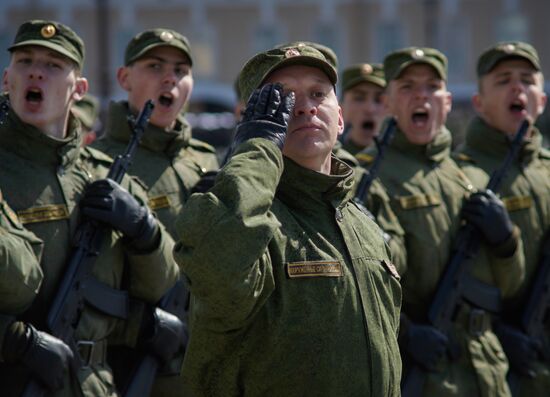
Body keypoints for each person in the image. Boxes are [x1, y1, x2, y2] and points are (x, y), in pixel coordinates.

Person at [172, 43, 402, 396]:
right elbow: (220, 275)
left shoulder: (360, 221)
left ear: (339, 117)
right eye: (283, 99)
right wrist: (258, 147)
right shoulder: (244, 215)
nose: (305, 107)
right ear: (253, 119)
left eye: (317, 94)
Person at [0, 19, 181, 396]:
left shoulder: (106, 177)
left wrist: (143, 230)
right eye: (26, 61)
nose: (36, 71)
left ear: (79, 89)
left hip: (95, 382)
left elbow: (160, 283)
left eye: (53, 65)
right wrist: (13, 339)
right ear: (7, 79)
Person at [358, 46, 525, 396]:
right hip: (422, 370)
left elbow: (509, 289)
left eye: (432, 87)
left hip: (484, 368)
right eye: (407, 87)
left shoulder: (469, 177)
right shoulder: (367, 176)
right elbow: (361, 282)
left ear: (447, 102)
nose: (422, 96)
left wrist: (506, 241)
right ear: (387, 102)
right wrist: (406, 334)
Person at [91, 28, 218, 395]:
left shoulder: (206, 159)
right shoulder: (101, 164)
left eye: (181, 70)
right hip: (137, 364)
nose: (170, 78)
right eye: (154, 65)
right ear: (124, 78)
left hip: (208, 360)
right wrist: (139, 325)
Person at [454, 41, 550, 396]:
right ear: (478, 103)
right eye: (503, 80)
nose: (517, 88)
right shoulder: (463, 176)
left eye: (527, 80)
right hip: (492, 358)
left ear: (541, 98)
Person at [340, 63, 387, 155]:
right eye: (359, 98)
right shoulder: (326, 159)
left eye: (378, 100)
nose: (370, 109)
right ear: (340, 107)